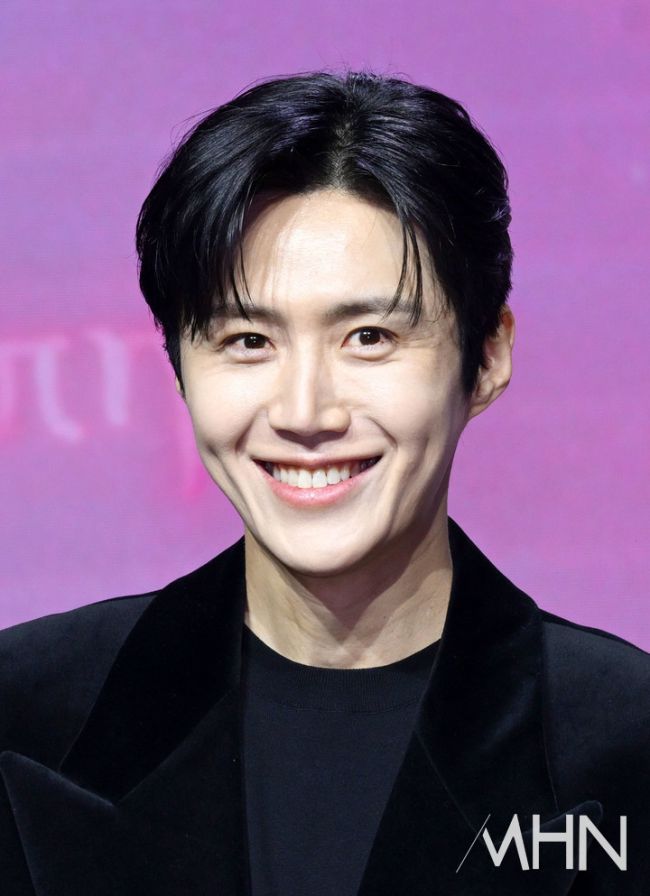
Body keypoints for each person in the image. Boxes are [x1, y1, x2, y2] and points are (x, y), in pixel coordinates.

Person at [0, 70, 648, 896]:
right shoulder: (25, 717)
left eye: (369, 337)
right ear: (178, 368)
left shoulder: (625, 746)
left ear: (487, 358)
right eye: (247, 341)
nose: (305, 412)